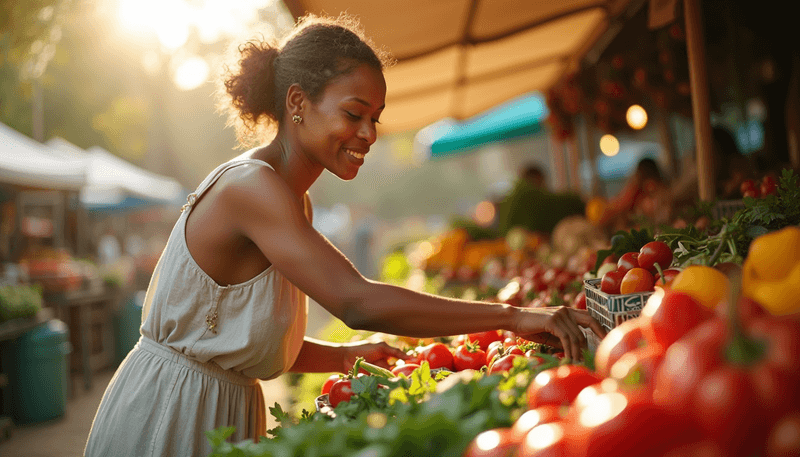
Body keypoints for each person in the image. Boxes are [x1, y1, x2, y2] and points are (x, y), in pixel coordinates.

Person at [84, 15, 604, 457]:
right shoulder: (252, 188)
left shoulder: (290, 198)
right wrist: (513, 316)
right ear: (298, 102)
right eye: (353, 114)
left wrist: (339, 357)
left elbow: (234, 339)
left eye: (375, 119)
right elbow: (356, 300)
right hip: (171, 413)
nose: (369, 135)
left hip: (218, 406)